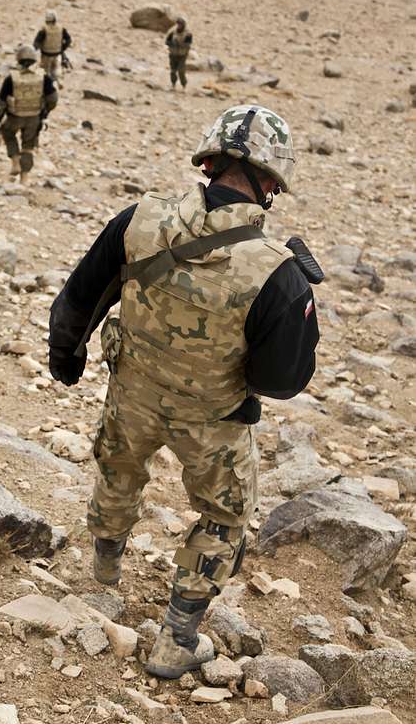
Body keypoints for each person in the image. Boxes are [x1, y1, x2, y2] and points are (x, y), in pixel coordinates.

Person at [48, 104, 320, 679]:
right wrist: (302, 306)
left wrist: (64, 355)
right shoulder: (278, 271)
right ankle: (177, 637)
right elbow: (282, 381)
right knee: (225, 514)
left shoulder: (138, 220)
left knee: (118, 471)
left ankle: (104, 571)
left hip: (133, 394)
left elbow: (80, 296)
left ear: (207, 161)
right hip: (215, 421)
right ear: (272, 184)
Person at [0, 45, 58, 184]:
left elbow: (1, 103)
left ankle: (15, 161)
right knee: (28, 146)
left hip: (15, 116)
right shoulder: (43, 77)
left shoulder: (12, 78)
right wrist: (45, 111)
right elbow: (53, 98)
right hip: (34, 117)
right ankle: (24, 178)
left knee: (8, 133)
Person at [34, 10, 72, 84]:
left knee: (45, 73)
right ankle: (55, 84)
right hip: (57, 54)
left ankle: (47, 87)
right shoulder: (61, 28)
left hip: (46, 55)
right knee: (54, 71)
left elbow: (36, 43)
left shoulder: (44, 29)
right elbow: (68, 40)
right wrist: (62, 48)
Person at [165, 16, 193, 90]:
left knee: (181, 71)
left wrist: (180, 44)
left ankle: (184, 85)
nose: (179, 26)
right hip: (173, 54)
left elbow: (188, 44)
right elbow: (167, 41)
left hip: (182, 55)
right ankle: (173, 84)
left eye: (180, 24)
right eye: (178, 24)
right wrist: (172, 43)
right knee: (173, 71)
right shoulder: (172, 33)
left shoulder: (188, 34)